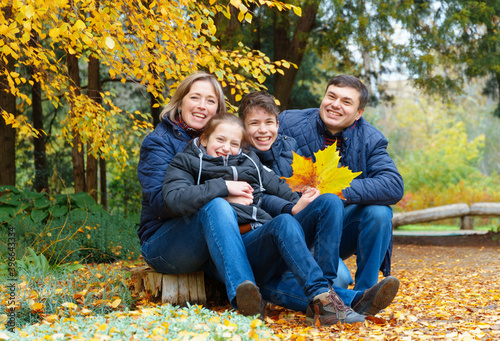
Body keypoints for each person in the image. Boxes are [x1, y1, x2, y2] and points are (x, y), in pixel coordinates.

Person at [162, 112, 399, 325]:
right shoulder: (187, 162)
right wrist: (224, 188)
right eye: (220, 140)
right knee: (281, 230)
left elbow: (279, 190)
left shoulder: (250, 162)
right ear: (205, 140)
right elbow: (174, 199)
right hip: (230, 245)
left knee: (324, 203)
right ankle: (348, 299)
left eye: (234, 143)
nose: (227, 147)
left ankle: (326, 296)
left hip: (261, 237)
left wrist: (303, 199)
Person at [138, 72, 264, 317]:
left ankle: (337, 301)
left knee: (339, 276)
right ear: (181, 101)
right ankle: (244, 301)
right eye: (195, 97)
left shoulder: (225, 143)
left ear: (218, 109)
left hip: (216, 237)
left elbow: (259, 186)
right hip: (165, 242)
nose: (201, 106)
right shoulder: (159, 143)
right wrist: (223, 192)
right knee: (216, 207)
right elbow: (162, 204)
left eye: (210, 100)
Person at [278, 75, 405, 292]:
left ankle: (364, 294)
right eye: (331, 96)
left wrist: (334, 189)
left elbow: (393, 185)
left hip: (335, 231)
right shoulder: (289, 123)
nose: (335, 105)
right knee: (337, 281)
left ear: (358, 113)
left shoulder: (370, 140)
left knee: (380, 212)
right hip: (293, 224)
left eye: (346, 102)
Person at [237, 91, 355, 290]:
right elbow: (257, 197)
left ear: (277, 124)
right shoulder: (239, 155)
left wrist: (309, 195)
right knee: (339, 280)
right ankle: (290, 286)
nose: (263, 130)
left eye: (269, 122)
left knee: (341, 279)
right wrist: (290, 208)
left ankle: (325, 291)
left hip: (299, 226)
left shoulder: (289, 146)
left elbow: (302, 185)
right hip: (267, 232)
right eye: (254, 123)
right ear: (243, 127)